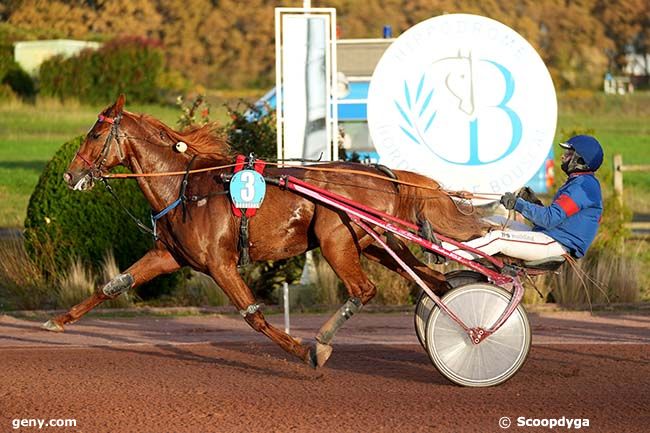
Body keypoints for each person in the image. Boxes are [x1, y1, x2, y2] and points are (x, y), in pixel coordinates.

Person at [444, 135, 604, 262]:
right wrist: (533, 203)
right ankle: (448, 237)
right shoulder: (579, 182)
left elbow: (549, 219)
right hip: (549, 235)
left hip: (557, 243)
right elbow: (557, 218)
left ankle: (447, 253)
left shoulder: (583, 186)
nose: (563, 157)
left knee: (498, 239)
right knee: (496, 219)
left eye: (569, 154)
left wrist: (518, 205)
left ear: (580, 161)